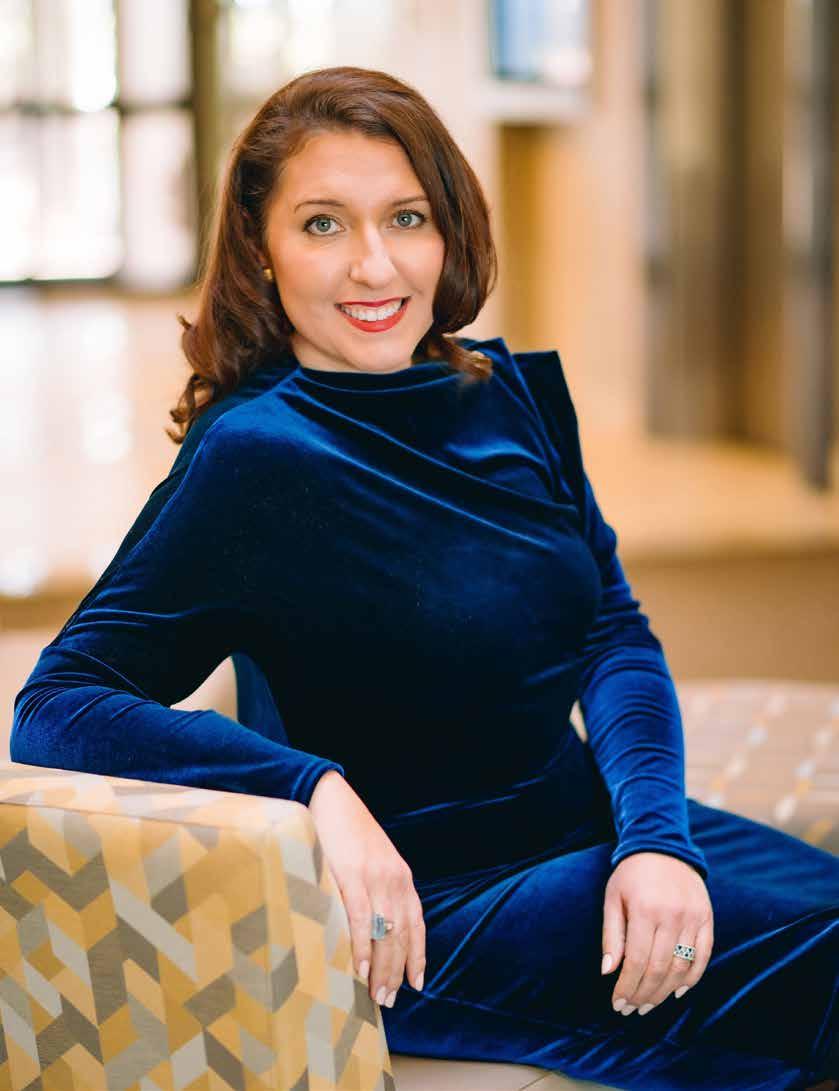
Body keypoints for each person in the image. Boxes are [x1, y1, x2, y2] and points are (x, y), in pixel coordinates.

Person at [11, 66, 838, 1091]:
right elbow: (57, 704)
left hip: (593, 828)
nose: (373, 265)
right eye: (322, 224)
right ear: (260, 249)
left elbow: (610, 633)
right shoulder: (254, 457)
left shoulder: (510, 394)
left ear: (448, 232)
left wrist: (654, 837)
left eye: (405, 217)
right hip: (431, 907)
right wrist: (312, 786)